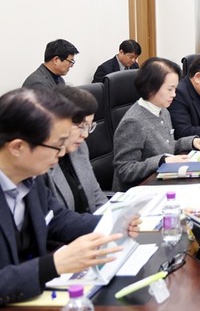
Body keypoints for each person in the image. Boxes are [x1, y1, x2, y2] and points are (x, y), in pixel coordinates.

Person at [0, 87, 138, 304]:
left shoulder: (32, 178)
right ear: (17, 147)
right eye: (56, 146)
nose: (63, 152)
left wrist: (114, 223)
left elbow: (57, 218)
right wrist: (54, 264)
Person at [112, 57, 200, 191]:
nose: (174, 94)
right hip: (142, 191)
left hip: (163, 182)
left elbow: (166, 146)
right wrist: (161, 161)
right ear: (151, 87)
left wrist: (191, 141)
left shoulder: (163, 110)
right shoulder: (133, 122)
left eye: (175, 89)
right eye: (170, 89)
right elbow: (124, 170)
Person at [45, 86, 107, 213]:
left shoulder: (80, 148)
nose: (85, 135)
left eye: (89, 126)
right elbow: (56, 219)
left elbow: (96, 194)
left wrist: (113, 217)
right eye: (81, 126)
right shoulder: (42, 162)